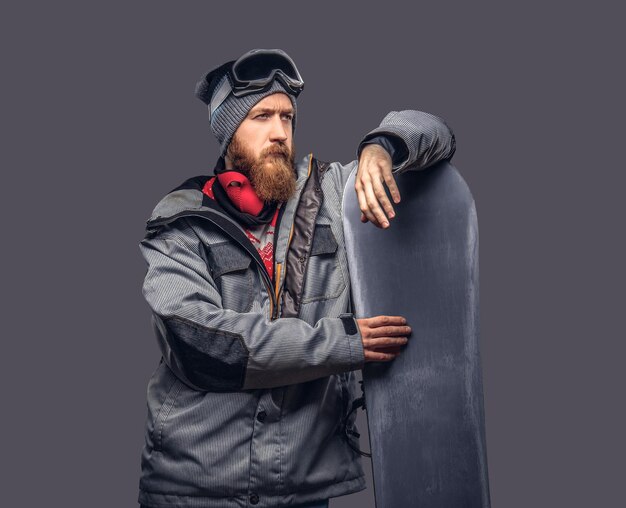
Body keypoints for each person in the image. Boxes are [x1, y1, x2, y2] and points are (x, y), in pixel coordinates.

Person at [138, 49, 456, 508]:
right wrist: (344, 344)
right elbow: (202, 344)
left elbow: (437, 132)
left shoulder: (332, 195)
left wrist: (379, 147)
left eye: (287, 117)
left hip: (301, 487)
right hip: (194, 486)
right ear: (228, 132)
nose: (279, 133)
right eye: (261, 117)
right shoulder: (181, 222)